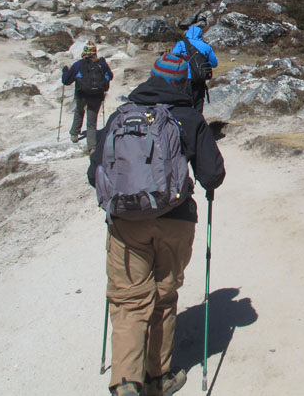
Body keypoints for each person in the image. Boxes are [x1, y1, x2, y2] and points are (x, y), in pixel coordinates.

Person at [88, 52, 225, 396]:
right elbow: (213, 175)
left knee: (128, 300)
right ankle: (158, 376)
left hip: (126, 222)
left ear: (151, 77)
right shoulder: (189, 118)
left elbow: (94, 172)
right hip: (176, 220)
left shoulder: (122, 115)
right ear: (183, 82)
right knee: (164, 296)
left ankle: (125, 382)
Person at [62, 41, 113, 151]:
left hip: (82, 94)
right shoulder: (101, 65)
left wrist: (65, 71)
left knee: (79, 111)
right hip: (97, 96)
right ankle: (92, 147)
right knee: (92, 122)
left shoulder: (79, 65)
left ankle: (74, 134)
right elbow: (111, 76)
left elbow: (66, 81)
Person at [170, 25, 217, 113]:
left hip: (183, 78)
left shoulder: (181, 44)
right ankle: (197, 122)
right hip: (199, 78)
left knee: (182, 102)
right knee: (198, 102)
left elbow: (173, 59)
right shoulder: (206, 47)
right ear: (200, 34)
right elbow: (214, 63)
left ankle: (183, 123)